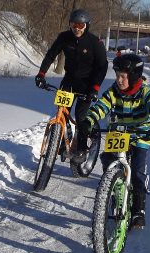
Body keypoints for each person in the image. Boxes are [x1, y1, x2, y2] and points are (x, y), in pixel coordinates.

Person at [78, 53, 150, 228]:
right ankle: (112, 188)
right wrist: (89, 120)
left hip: (140, 135)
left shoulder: (145, 93)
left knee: (137, 171)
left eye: (123, 77)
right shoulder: (113, 91)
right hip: (118, 134)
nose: (119, 80)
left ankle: (138, 210)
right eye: (117, 76)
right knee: (108, 160)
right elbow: (101, 106)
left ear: (134, 77)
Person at [35, 9, 108, 163]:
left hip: (87, 84)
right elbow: (50, 55)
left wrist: (95, 89)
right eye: (73, 25)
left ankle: (81, 148)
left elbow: (102, 66)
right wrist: (41, 74)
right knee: (62, 112)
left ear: (86, 26)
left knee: (81, 116)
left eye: (80, 25)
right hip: (69, 81)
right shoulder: (64, 37)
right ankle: (59, 143)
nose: (76, 28)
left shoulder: (95, 42)